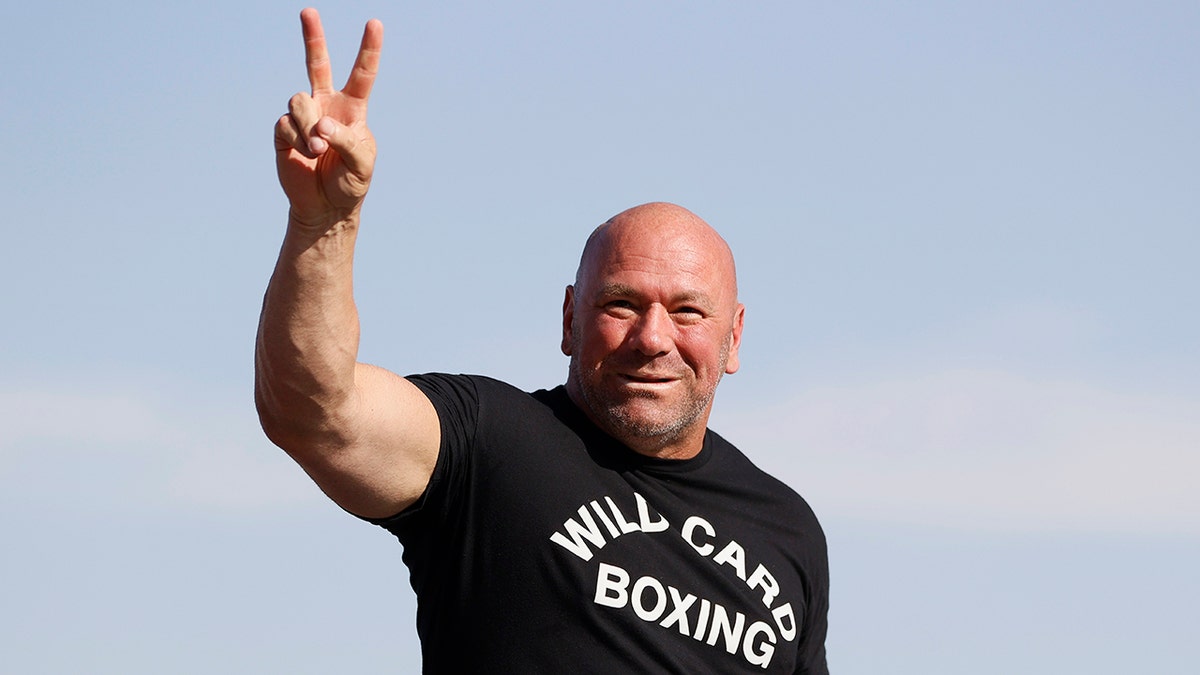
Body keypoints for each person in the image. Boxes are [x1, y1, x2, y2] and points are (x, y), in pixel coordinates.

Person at [256, 8, 829, 673]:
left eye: (688, 313)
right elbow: (314, 410)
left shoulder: (787, 528)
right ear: (569, 318)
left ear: (733, 339)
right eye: (620, 303)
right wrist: (324, 223)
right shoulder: (488, 444)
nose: (652, 337)